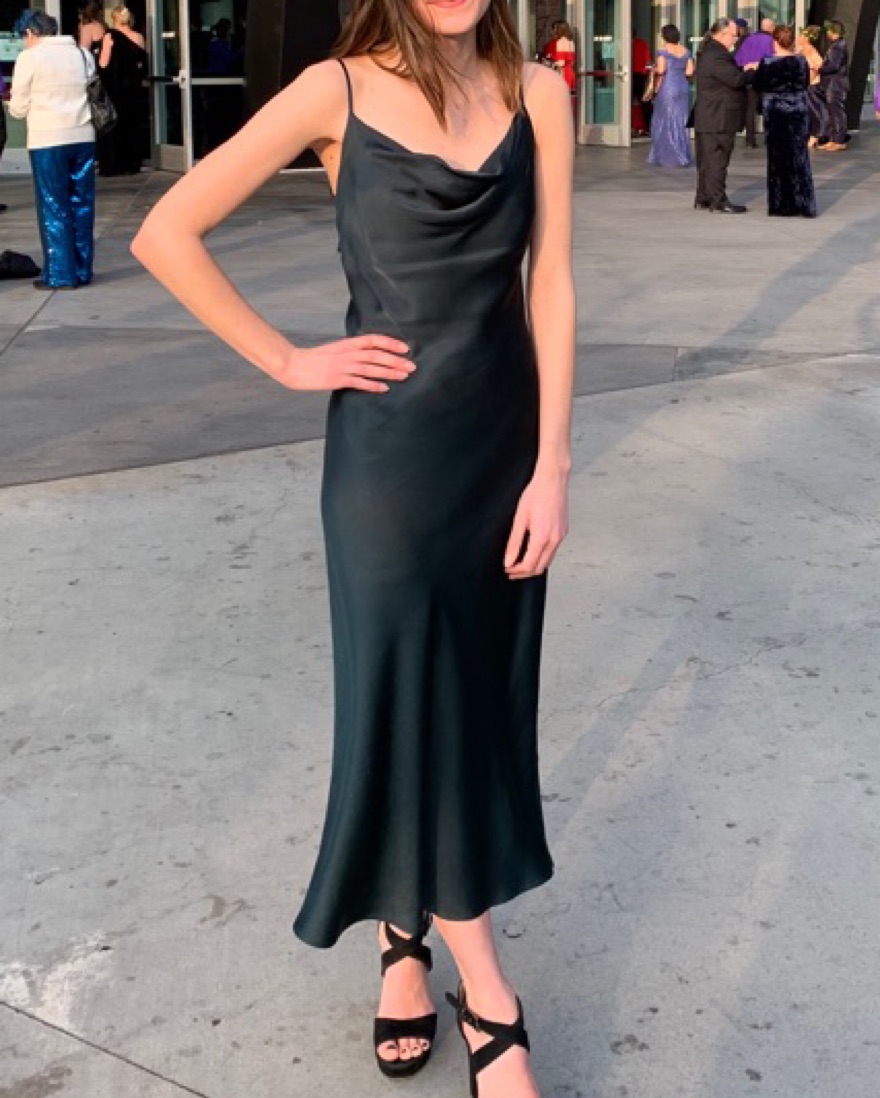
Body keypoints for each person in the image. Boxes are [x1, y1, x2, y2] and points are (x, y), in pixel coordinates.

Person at [132, 1, 575, 1095]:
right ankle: (491, 997)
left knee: (474, 707)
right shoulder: (334, 89)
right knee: (408, 701)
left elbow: (552, 280)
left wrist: (554, 463)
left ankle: (401, 941)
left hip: (501, 455)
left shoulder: (541, 94)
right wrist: (287, 361)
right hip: (388, 466)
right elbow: (165, 230)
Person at [8, 10, 96, 290]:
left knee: (53, 205)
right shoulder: (82, 54)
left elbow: (18, 108)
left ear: (31, 32)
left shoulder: (30, 58)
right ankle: (82, 270)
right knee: (82, 205)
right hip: (83, 135)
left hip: (48, 138)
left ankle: (60, 274)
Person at [694, 16, 756, 213]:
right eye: (733, 35)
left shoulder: (710, 51)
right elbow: (735, 80)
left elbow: (726, 76)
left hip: (711, 114)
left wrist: (741, 69)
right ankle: (718, 200)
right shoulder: (717, 54)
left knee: (708, 160)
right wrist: (752, 72)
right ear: (722, 34)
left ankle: (705, 197)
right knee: (717, 159)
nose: (736, 39)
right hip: (718, 116)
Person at [754, 25, 816, 217]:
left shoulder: (767, 62)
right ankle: (804, 204)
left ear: (775, 41)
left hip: (775, 111)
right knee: (799, 156)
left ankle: (781, 204)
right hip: (798, 110)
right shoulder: (801, 61)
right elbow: (805, 83)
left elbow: (758, 84)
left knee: (777, 158)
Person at [96, 5, 148, 176]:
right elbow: (142, 64)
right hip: (134, 89)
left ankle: (114, 164)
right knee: (132, 125)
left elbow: (103, 64)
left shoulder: (110, 36)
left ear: (113, 18)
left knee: (114, 126)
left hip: (115, 89)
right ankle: (131, 162)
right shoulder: (138, 37)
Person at [647, 24, 694, 167]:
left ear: (664, 36)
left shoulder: (663, 51)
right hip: (683, 87)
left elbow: (661, 70)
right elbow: (689, 72)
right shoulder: (686, 51)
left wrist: (654, 69)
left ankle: (667, 154)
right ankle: (682, 154)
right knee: (681, 121)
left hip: (668, 87)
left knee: (664, 120)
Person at [735, 16, 774, 147]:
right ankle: (769, 137)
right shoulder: (771, 40)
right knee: (768, 107)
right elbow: (773, 58)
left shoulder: (749, 39)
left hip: (750, 76)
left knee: (750, 108)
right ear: (771, 28)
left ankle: (750, 139)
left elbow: (738, 59)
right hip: (766, 76)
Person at [818, 20, 848, 151]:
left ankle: (839, 140)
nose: (827, 33)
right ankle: (833, 138)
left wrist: (820, 68)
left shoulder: (838, 47)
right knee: (831, 112)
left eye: (829, 30)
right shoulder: (837, 45)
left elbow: (834, 66)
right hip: (832, 84)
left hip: (835, 84)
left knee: (836, 112)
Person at [797, 25, 825, 146]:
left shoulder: (811, 51)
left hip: (812, 86)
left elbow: (819, 66)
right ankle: (809, 134)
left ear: (807, 39)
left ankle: (815, 135)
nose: (799, 38)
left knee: (813, 111)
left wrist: (811, 68)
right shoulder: (801, 51)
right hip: (804, 85)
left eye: (801, 36)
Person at [542, 20, 576, 100]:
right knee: (571, 98)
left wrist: (551, 62)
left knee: (562, 97)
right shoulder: (571, 42)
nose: (554, 31)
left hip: (563, 73)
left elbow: (561, 63)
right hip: (571, 72)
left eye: (556, 29)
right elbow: (572, 60)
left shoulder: (560, 42)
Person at [631, 29, 652, 134]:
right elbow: (647, 60)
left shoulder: (625, 44)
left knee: (627, 103)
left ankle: (633, 126)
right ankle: (648, 126)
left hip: (633, 75)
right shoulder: (642, 43)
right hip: (640, 75)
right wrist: (646, 73)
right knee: (645, 103)